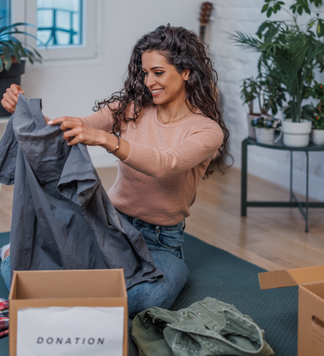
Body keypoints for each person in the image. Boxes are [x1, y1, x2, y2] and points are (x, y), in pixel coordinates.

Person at [0, 25, 232, 317]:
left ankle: (63, 298)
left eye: (158, 72)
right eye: (145, 73)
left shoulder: (207, 131)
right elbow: (68, 129)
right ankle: (88, 298)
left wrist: (107, 140)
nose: (149, 82)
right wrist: (22, 109)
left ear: (185, 71)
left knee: (151, 296)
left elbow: (165, 163)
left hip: (160, 243)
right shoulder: (130, 109)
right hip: (108, 225)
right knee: (13, 266)